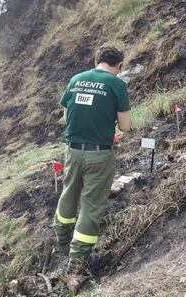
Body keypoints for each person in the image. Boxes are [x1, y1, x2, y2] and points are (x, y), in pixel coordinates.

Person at [53, 46, 131, 274]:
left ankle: (62, 236)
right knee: (91, 205)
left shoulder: (76, 79)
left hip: (72, 151)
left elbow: (66, 117)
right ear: (119, 65)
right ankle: (77, 259)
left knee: (69, 192)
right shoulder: (116, 84)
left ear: (96, 61)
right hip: (99, 154)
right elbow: (125, 126)